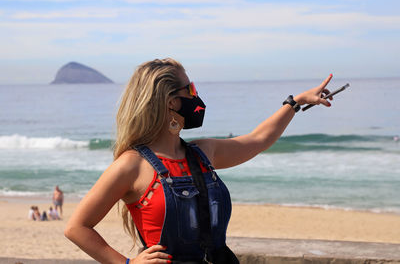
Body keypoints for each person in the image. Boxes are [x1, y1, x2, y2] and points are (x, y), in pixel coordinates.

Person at [65, 58, 333, 263]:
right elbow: (77, 227)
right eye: (190, 88)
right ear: (172, 102)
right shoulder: (132, 165)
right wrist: (126, 262)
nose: (196, 96)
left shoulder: (203, 152)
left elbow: (258, 140)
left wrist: (295, 103)